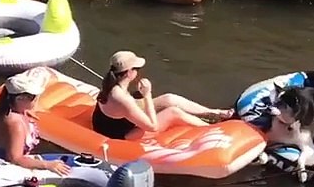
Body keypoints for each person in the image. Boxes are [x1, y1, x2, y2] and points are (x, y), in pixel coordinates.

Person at [92, 50, 233, 140]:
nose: (139, 71)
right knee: (173, 112)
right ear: (129, 72)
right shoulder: (123, 98)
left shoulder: (110, 84)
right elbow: (152, 127)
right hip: (119, 134)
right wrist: (147, 95)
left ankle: (214, 112)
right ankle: (214, 130)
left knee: (169, 98)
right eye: (137, 68)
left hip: (115, 121)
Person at [0, 71, 71, 175]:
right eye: (34, 97)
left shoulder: (12, 108)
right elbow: (15, 159)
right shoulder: (14, 123)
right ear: (20, 99)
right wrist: (48, 165)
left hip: (1, 156)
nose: (37, 99)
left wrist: (27, 111)